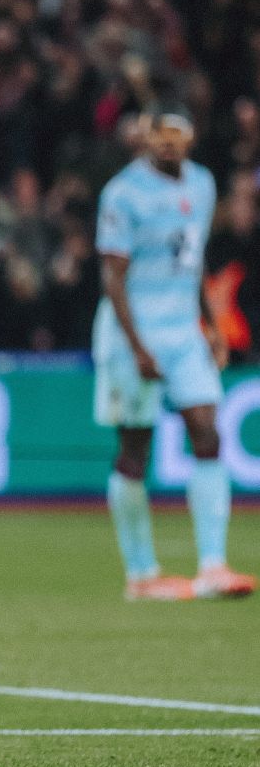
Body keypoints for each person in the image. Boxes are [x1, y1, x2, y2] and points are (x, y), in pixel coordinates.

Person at [93, 106, 256, 601]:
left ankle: (212, 565)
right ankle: (141, 574)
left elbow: (194, 254)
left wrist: (210, 321)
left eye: (176, 136)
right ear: (147, 140)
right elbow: (113, 278)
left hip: (184, 330)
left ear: (190, 140)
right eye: (158, 136)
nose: (167, 144)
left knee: (207, 430)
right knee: (135, 449)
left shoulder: (202, 184)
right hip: (132, 333)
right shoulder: (122, 193)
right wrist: (138, 346)